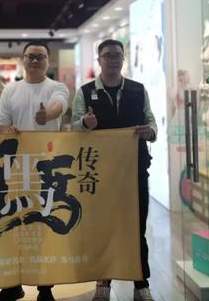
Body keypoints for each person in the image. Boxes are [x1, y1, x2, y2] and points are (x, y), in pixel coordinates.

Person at [71, 39, 157, 301]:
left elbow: (151, 123)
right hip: (99, 173)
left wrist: (150, 132)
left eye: (117, 55)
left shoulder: (138, 90)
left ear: (123, 59)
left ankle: (141, 284)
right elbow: (74, 128)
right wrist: (85, 124)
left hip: (135, 170)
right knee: (103, 227)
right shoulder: (85, 92)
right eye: (107, 55)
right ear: (99, 60)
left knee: (137, 227)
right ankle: (103, 281)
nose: (113, 60)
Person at [0, 41, 69, 301]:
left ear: (48, 61)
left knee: (43, 225)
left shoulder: (57, 87)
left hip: (47, 167)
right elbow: (1, 123)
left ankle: (45, 287)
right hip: (16, 169)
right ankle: (12, 283)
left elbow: (60, 105)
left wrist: (47, 115)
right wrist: (8, 130)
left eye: (40, 56)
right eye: (30, 56)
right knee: (14, 226)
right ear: (23, 59)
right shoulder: (11, 90)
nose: (35, 61)